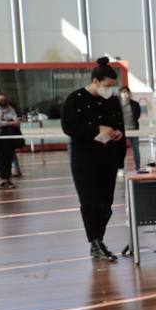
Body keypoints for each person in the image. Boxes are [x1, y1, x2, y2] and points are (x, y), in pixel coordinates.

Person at [62, 58, 126, 261]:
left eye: (112, 86)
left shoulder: (112, 100)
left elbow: (120, 124)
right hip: (84, 159)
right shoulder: (75, 99)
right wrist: (95, 130)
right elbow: (69, 128)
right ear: (96, 81)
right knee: (90, 202)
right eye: (107, 85)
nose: (110, 90)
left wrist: (117, 134)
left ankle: (98, 239)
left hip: (108, 157)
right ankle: (95, 241)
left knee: (106, 204)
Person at [0, 93, 22, 190]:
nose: (3, 101)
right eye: (1, 99)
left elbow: (16, 120)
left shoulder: (11, 109)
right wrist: (9, 122)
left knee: (9, 157)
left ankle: (8, 178)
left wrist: (6, 121)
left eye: (4, 99)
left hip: (10, 137)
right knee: (0, 157)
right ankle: (3, 179)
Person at [119, 86, 143, 170]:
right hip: (122, 131)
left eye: (127, 92)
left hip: (133, 129)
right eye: (123, 92)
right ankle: (121, 168)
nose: (125, 94)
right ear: (120, 94)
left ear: (129, 93)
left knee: (136, 149)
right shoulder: (118, 105)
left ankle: (138, 167)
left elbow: (138, 114)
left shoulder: (135, 104)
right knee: (121, 150)